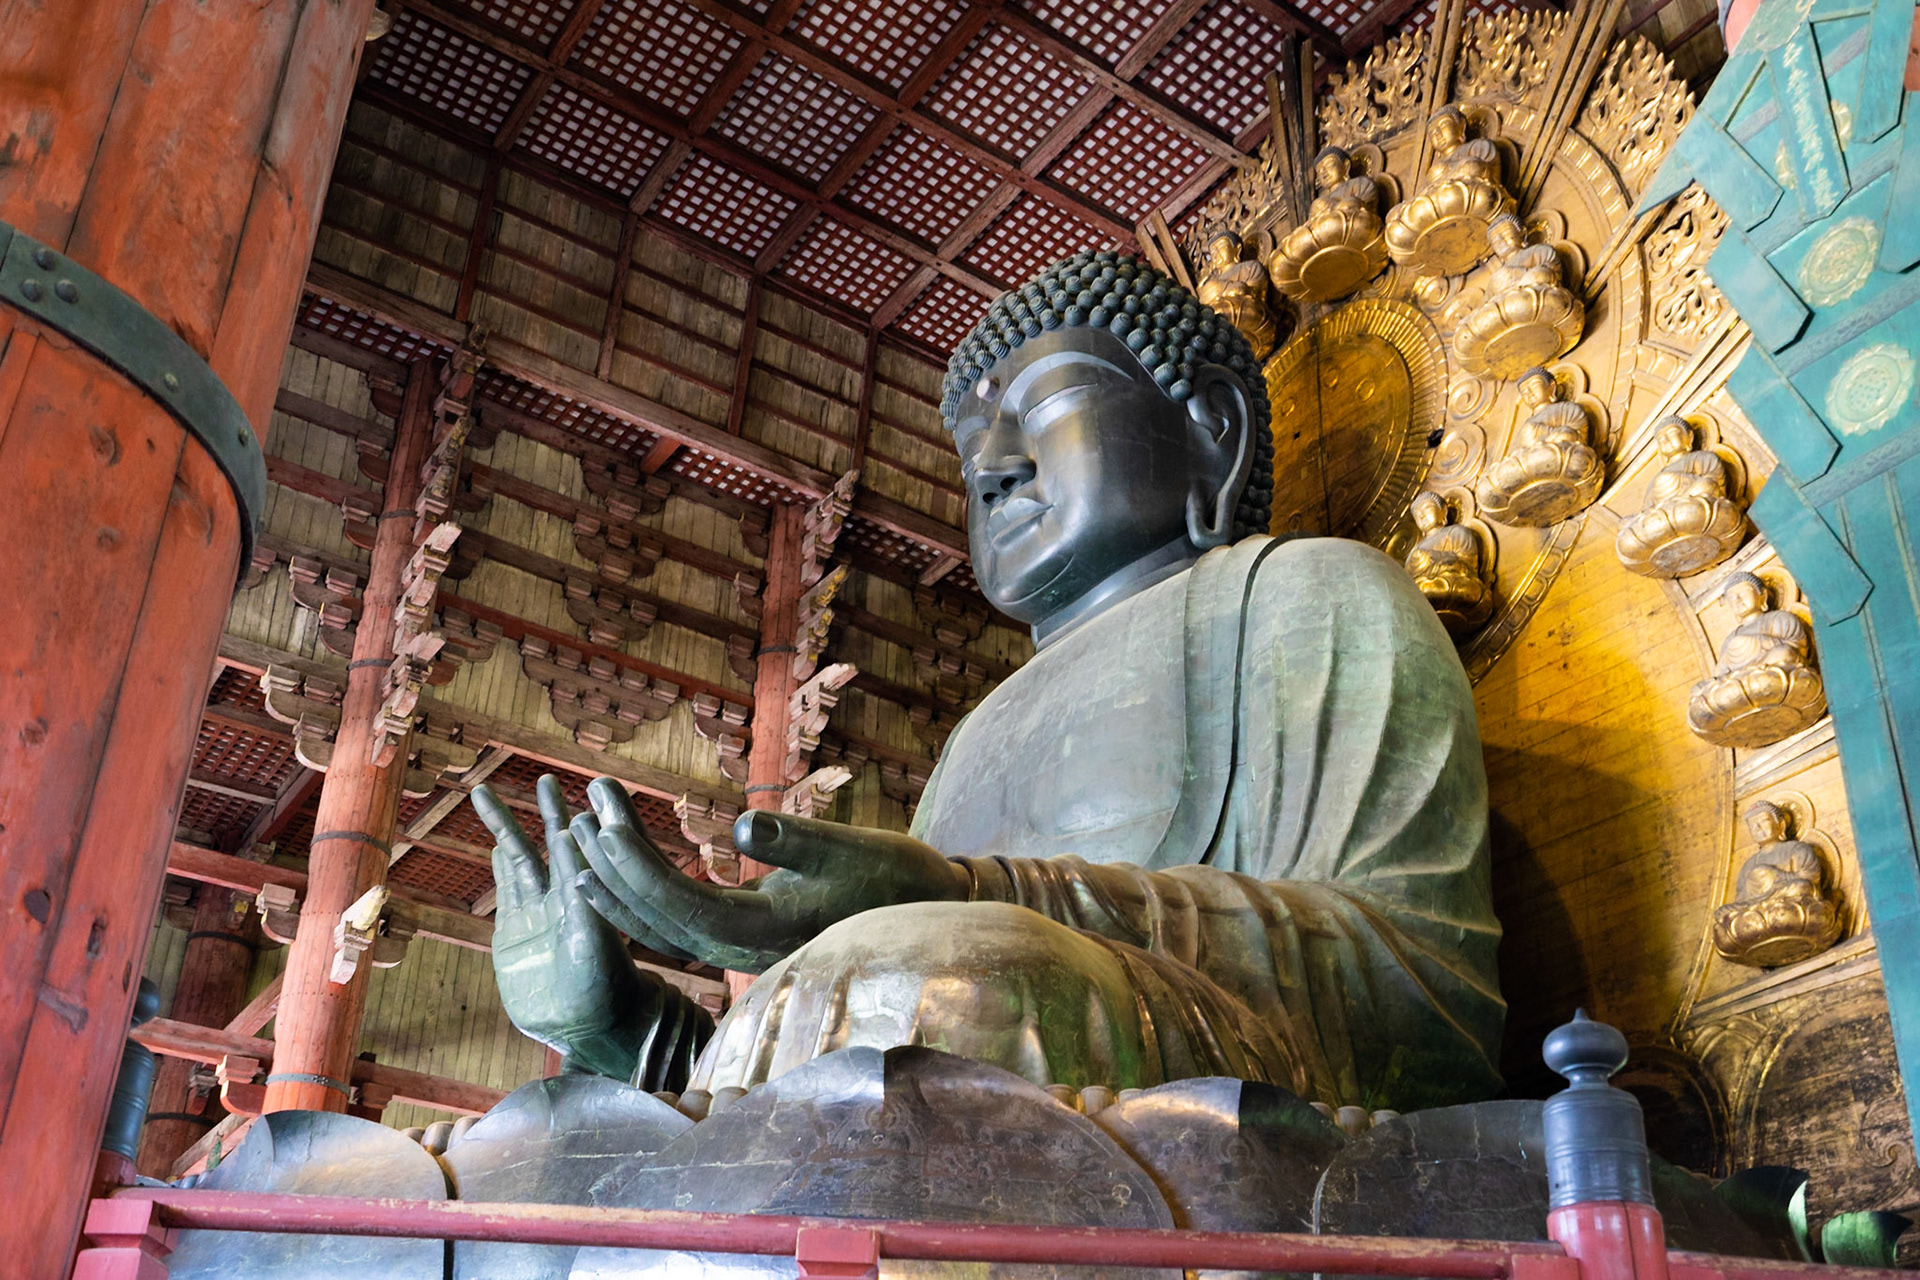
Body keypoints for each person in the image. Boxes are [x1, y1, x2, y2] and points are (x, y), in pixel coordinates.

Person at [476, 251, 1506, 1114]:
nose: (995, 469)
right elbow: (860, 1068)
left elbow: (1424, 998)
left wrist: (972, 893)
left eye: (1045, 408)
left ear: (1214, 430)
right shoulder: (980, 734)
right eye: (973, 451)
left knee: (945, 976)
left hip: (1249, 1101)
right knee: (553, 1123)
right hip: (1005, 1065)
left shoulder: (1313, 596)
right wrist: (628, 1028)